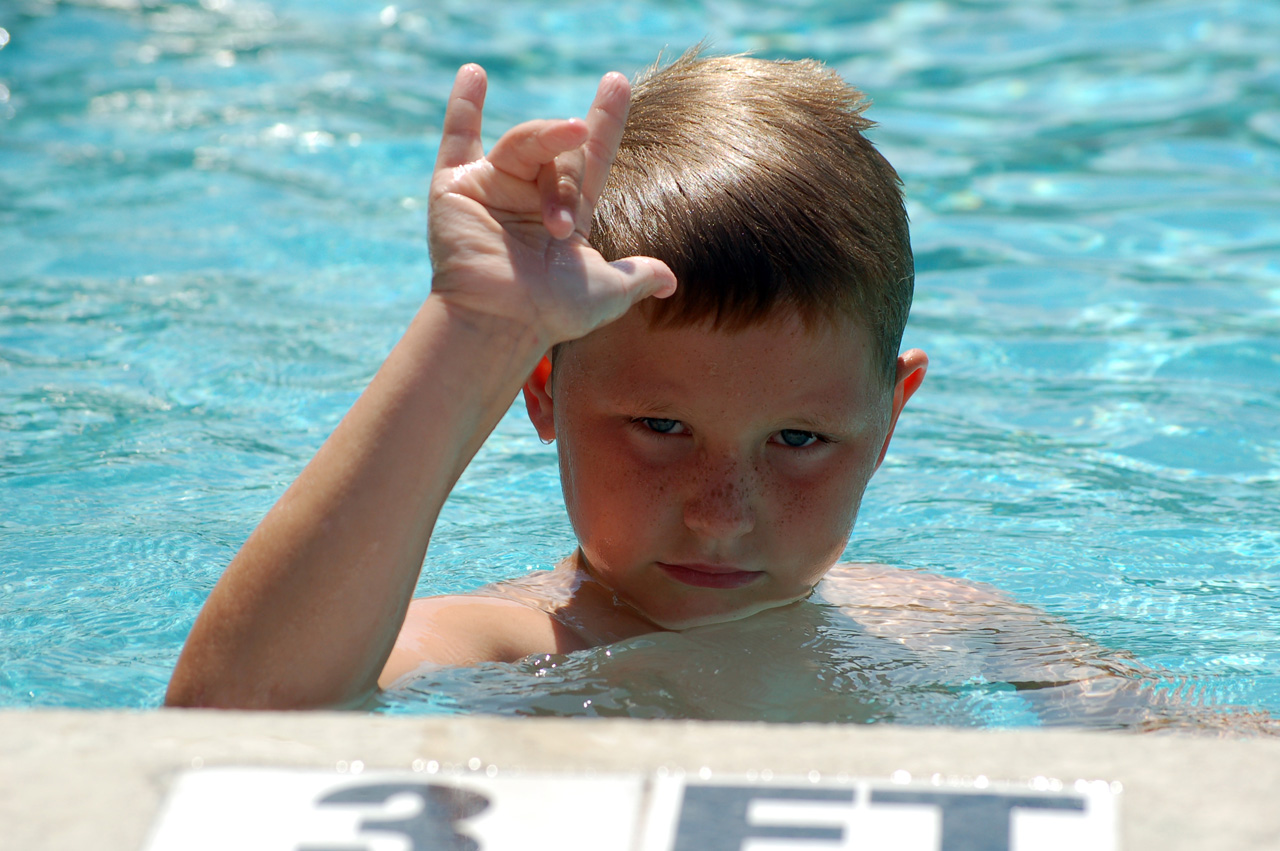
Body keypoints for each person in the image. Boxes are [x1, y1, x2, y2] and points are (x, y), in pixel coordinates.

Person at [164, 51, 1245, 729]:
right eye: (659, 424)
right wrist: (471, 333)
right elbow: (238, 722)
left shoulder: (942, 622)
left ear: (887, 421)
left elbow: (1210, 763)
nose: (722, 509)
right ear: (540, 393)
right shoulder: (508, 649)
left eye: (797, 440)